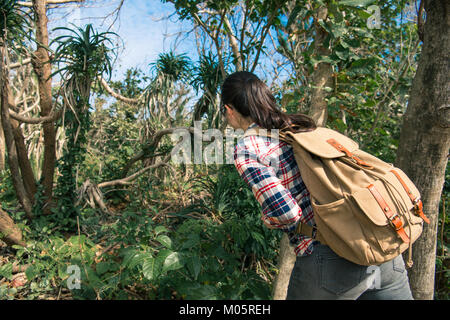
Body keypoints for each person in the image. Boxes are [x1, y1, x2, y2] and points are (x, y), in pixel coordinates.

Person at [220, 70, 413, 300]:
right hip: (380, 243)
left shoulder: (248, 148)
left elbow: (289, 215)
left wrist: (268, 219)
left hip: (329, 259)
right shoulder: (301, 126)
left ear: (230, 109)